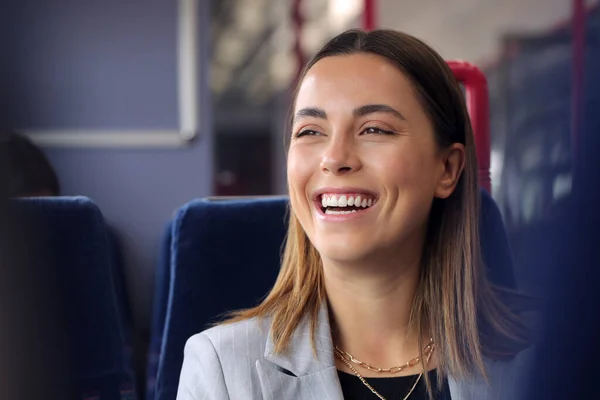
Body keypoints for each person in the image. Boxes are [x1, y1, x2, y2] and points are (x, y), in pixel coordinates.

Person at [177, 29, 533, 400]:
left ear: (446, 168)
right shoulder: (224, 370)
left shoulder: (551, 356)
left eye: (374, 129)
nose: (334, 158)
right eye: (311, 131)